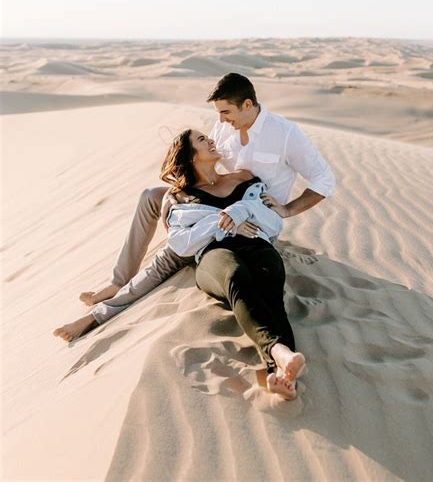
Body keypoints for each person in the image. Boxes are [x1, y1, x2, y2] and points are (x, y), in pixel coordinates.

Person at [54, 129, 306, 401]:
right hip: (210, 250)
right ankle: (279, 354)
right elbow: (178, 246)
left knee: (270, 287)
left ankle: (281, 369)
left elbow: (271, 221)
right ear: (190, 157)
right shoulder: (181, 198)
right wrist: (222, 222)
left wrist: (243, 212)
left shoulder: (244, 178)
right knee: (225, 276)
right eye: (201, 140)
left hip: (256, 246)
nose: (210, 140)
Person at [79, 73, 335, 306]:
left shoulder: (285, 134)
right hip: (214, 202)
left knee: (176, 250)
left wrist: (288, 209)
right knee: (151, 196)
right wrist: (175, 198)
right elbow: (202, 162)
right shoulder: (225, 127)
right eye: (218, 114)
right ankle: (118, 281)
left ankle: (124, 298)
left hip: (253, 219)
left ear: (247, 105)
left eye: (226, 112)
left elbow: (323, 178)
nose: (221, 120)